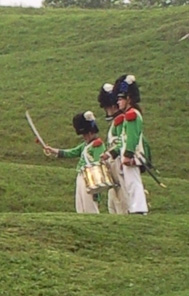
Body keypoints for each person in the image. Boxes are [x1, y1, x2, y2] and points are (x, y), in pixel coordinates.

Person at [44, 111, 107, 214]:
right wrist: (52, 150)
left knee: (90, 206)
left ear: (91, 132)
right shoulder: (84, 145)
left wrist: (96, 188)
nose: (84, 136)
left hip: (90, 178)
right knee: (80, 205)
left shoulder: (98, 145)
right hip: (81, 176)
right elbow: (70, 152)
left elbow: (98, 165)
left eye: (86, 134)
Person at [111, 75, 149, 215]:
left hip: (134, 153)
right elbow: (123, 140)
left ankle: (139, 208)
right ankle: (136, 208)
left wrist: (127, 155)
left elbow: (132, 138)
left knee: (133, 182)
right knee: (130, 182)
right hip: (128, 154)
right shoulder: (129, 115)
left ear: (129, 99)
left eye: (120, 99)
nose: (118, 102)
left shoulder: (132, 115)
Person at [98, 82, 129, 214]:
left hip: (119, 163)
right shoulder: (116, 122)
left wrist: (110, 154)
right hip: (114, 164)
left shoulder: (121, 120)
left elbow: (122, 141)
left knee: (123, 197)